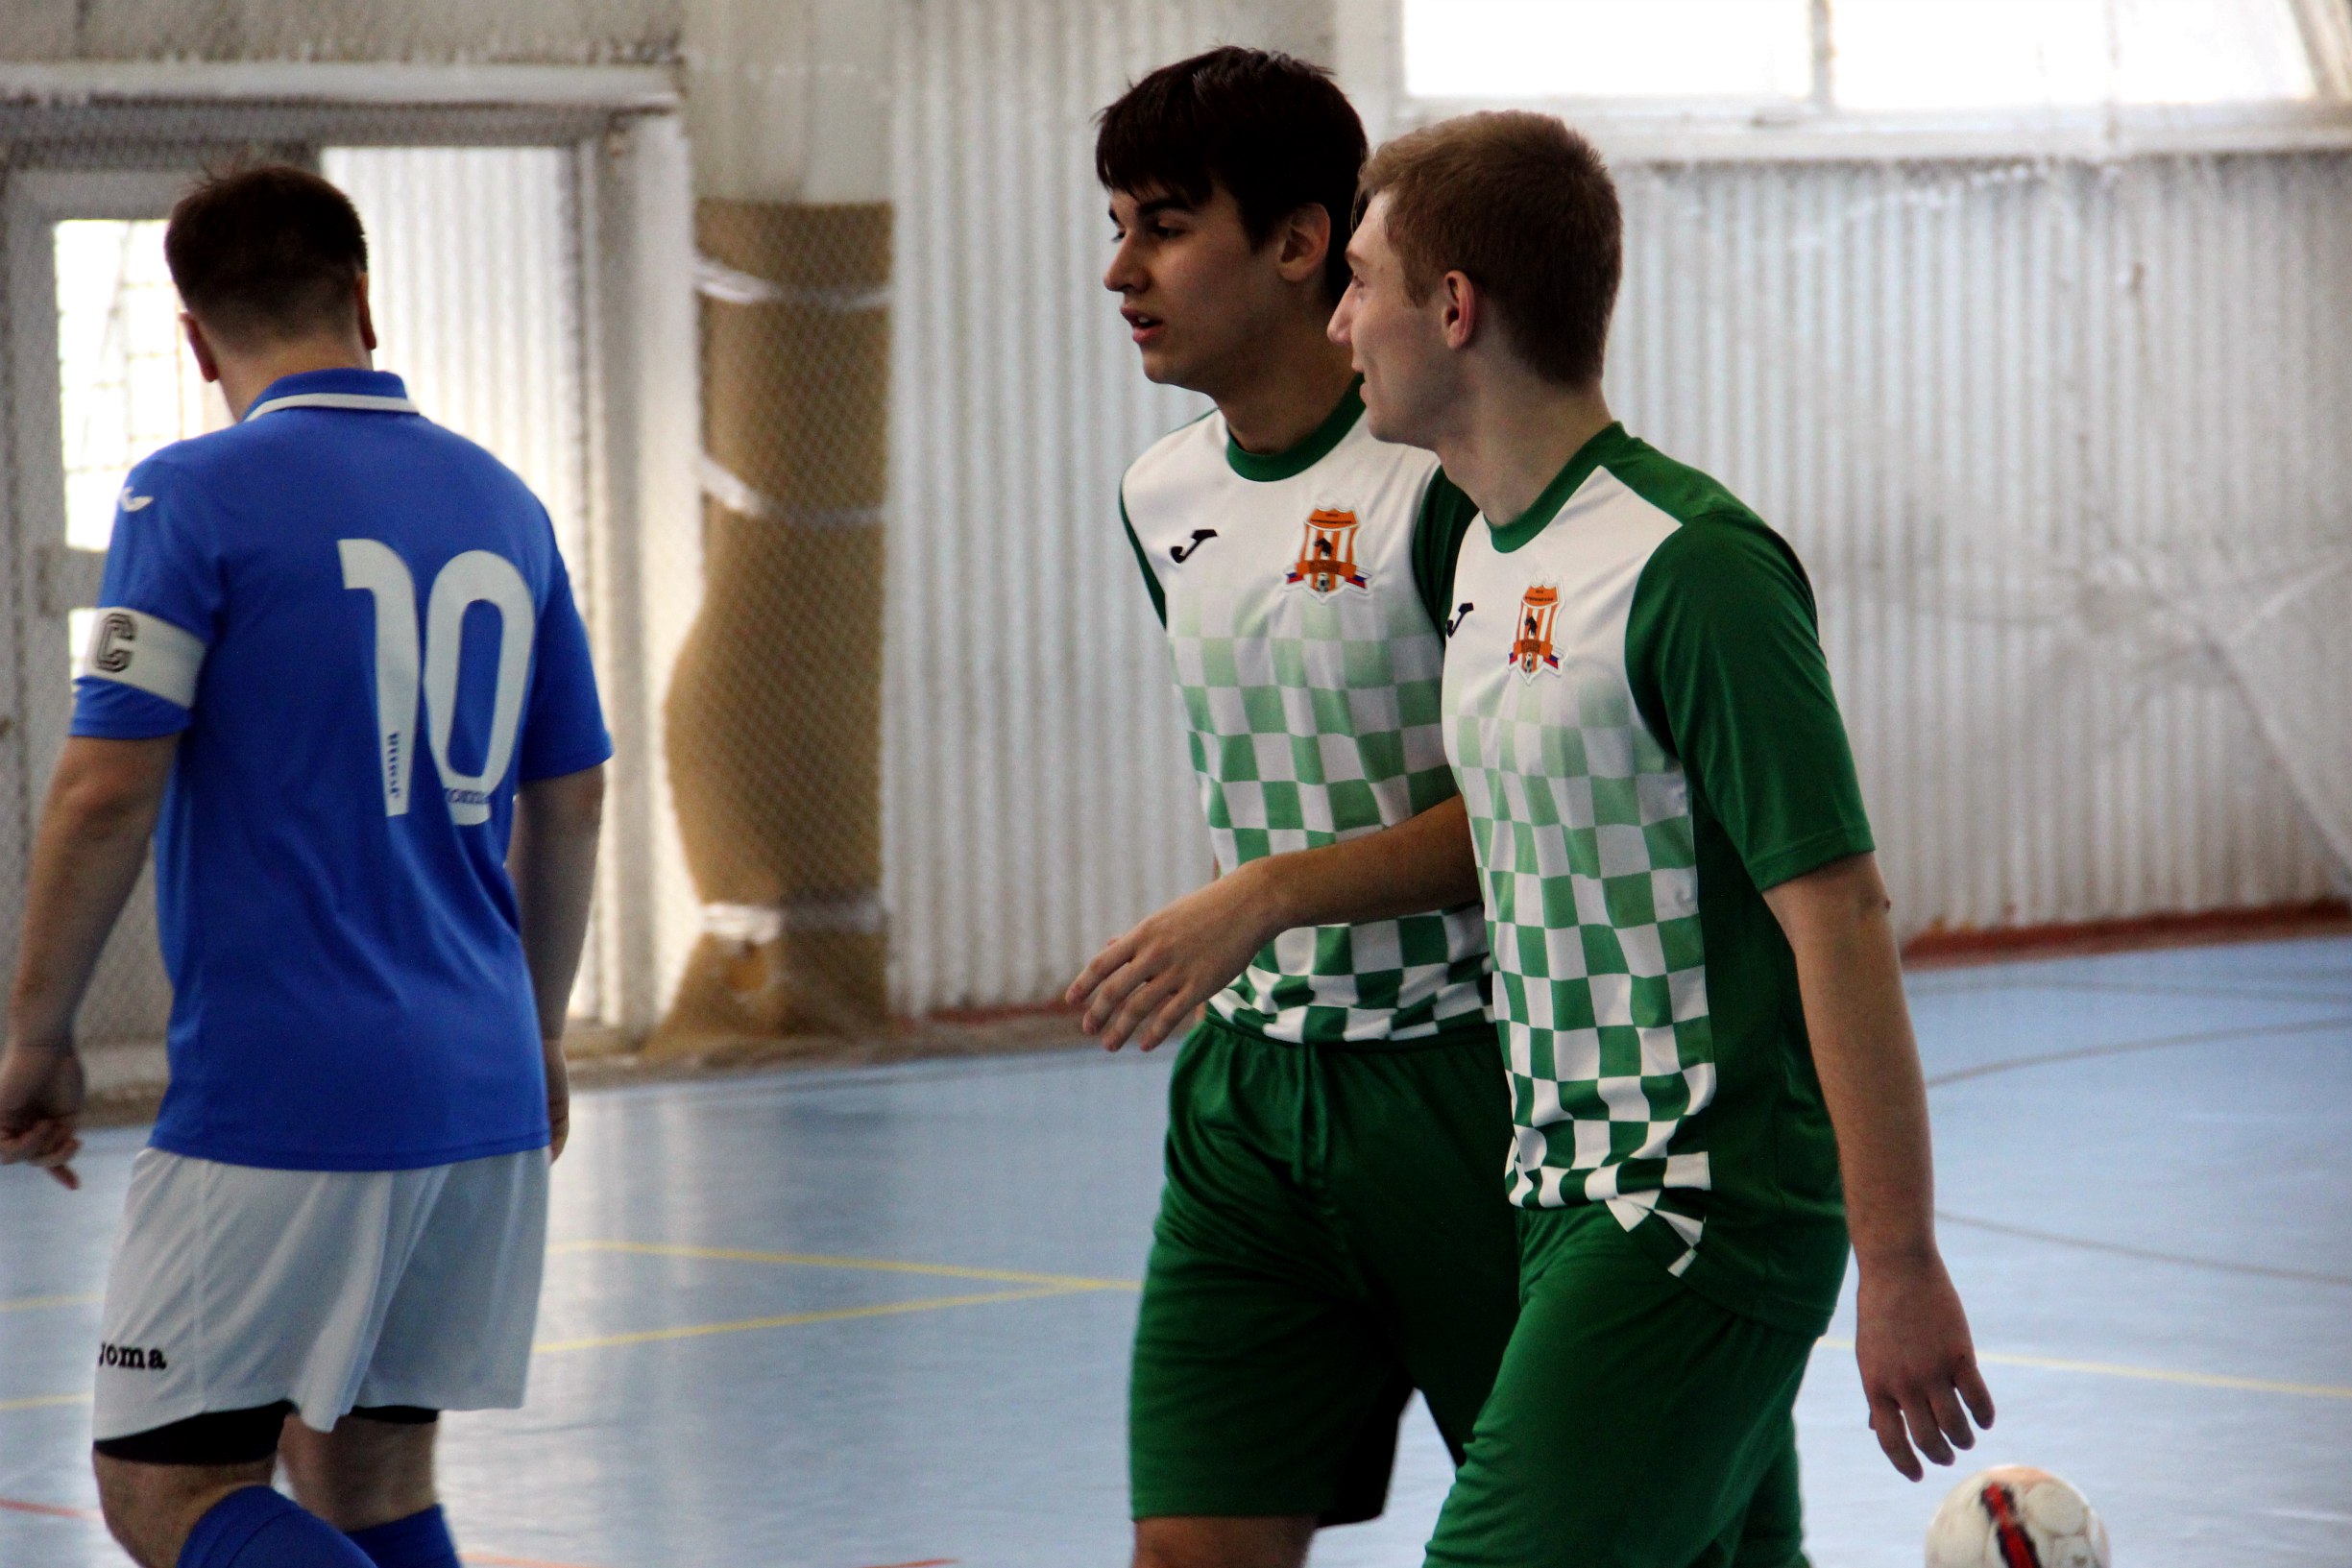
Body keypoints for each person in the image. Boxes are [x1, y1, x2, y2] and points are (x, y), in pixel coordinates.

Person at [0, 165, 611, 1568]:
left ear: (195, 338)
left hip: (288, 1088)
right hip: (476, 1080)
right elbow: (571, 795)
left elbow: (105, 787)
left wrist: (37, 1034)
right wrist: (537, 1034)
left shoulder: (187, 495)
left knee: (164, 1489)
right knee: (367, 1475)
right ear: (364, 299)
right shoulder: (503, 502)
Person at [1071, 47, 1519, 1568]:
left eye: (1162, 225)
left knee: (1607, 1535)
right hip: (1252, 1104)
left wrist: (1267, 892)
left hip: (1473, 1095)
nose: (1121, 270)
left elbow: (1533, 813)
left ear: (1298, 241)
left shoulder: (1449, 487)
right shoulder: (1160, 494)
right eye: (1116, 225)